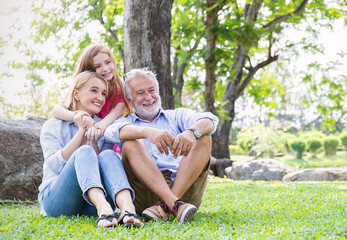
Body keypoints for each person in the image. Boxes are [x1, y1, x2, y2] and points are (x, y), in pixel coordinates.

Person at [104, 68, 219, 223]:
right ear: (129, 100)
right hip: (145, 193)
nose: (148, 97)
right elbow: (110, 131)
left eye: (151, 90)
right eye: (140, 93)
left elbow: (210, 120)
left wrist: (191, 133)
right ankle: (175, 205)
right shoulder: (126, 122)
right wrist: (146, 132)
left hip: (185, 188)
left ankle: (167, 205)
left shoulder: (176, 116)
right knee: (130, 142)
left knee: (203, 137)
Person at [38, 71, 143, 228]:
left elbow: (105, 170)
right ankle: (104, 209)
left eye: (103, 93)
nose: (100, 98)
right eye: (94, 90)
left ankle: (128, 210)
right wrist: (82, 133)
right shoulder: (53, 125)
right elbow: (54, 166)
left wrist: (93, 144)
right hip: (56, 201)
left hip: (90, 205)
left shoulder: (103, 126)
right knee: (84, 151)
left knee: (108, 154)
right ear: (76, 94)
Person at [51, 44, 130, 146]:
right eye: (98, 66)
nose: (105, 69)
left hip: (106, 138)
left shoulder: (119, 92)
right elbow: (56, 110)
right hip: (83, 135)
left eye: (108, 62)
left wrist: (98, 127)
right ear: (89, 71)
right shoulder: (82, 93)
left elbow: (113, 115)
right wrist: (78, 116)